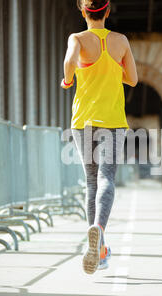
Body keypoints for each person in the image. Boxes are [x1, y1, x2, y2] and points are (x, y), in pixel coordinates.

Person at [61, 0, 138, 275]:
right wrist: (114, 70)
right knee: (107, 178)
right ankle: (99, 231)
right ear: (107, 11)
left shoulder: (78, 39)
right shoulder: (120, 41)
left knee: (90, 182)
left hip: (83, 121)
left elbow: (70, 62)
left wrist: (69, 79)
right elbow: (133, 79)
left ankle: (98, 244)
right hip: (113, 121)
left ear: (83, 11)